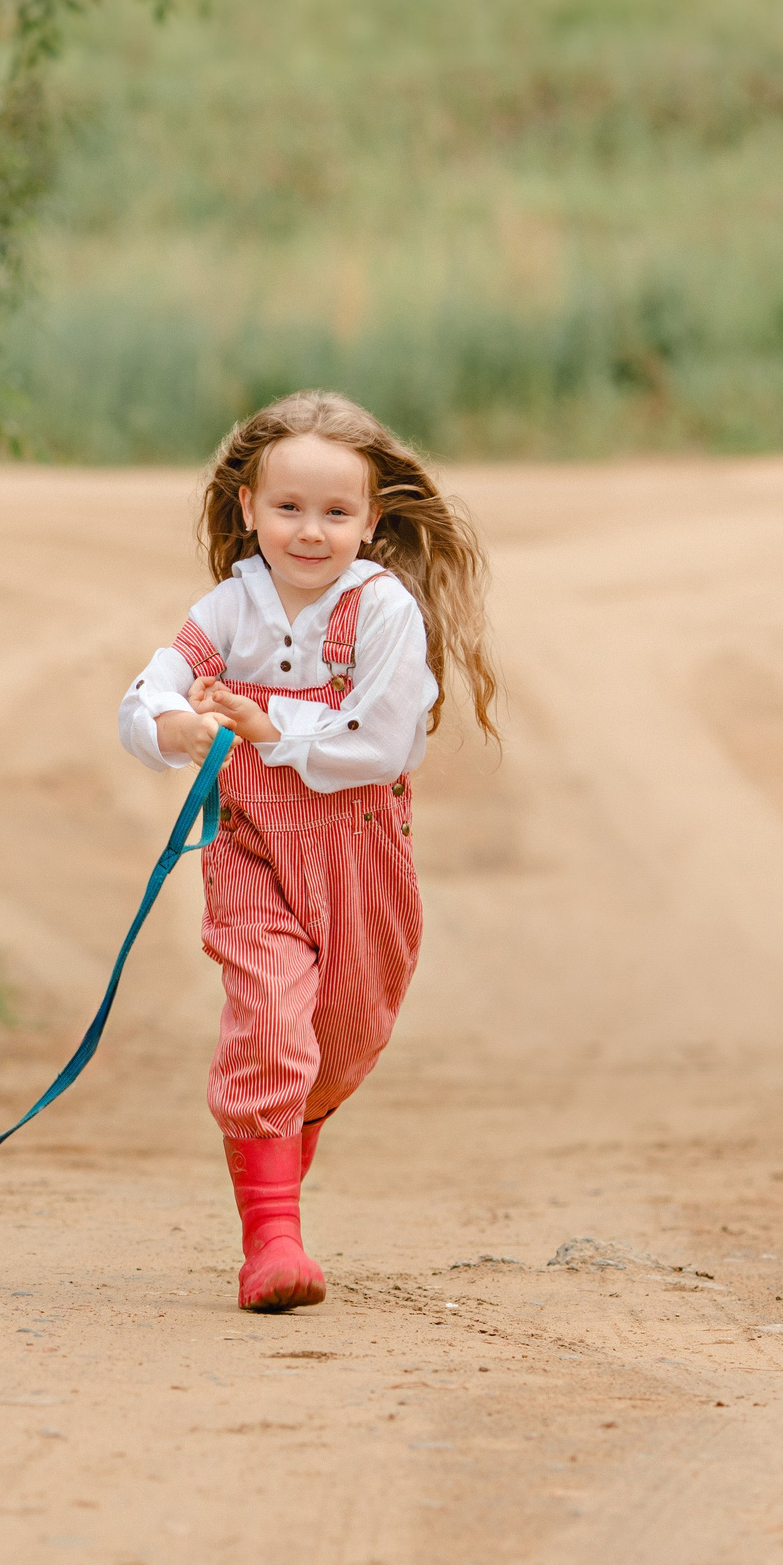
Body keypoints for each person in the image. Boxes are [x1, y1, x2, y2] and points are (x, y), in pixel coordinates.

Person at [119, 391, 499, 1313]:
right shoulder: (227, 609)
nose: (311, 532)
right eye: (289, 508)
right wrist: (170, 728)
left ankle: (288, 1154)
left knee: (342, 1038)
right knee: (270, 1020)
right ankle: (272, 1242)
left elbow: (378, 740)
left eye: (336, 513)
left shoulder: (383, 611)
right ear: (247, 506)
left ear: (372, 520)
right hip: (253, 851)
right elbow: (150, 689)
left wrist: (268, 723)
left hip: (362, 852)